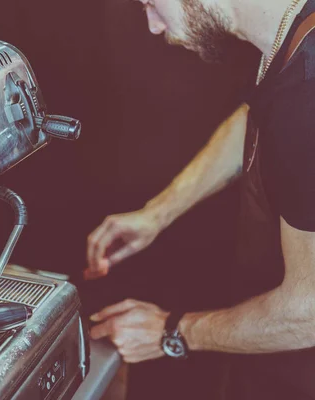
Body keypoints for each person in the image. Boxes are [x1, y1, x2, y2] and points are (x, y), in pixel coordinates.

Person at [84, 0, 315, 399]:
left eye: (151, 4)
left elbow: (307, 311)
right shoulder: (289, 32)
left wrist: (171, 331)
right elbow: (255, 114)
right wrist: (156, 213)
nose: (153, 26)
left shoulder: (308, 95)